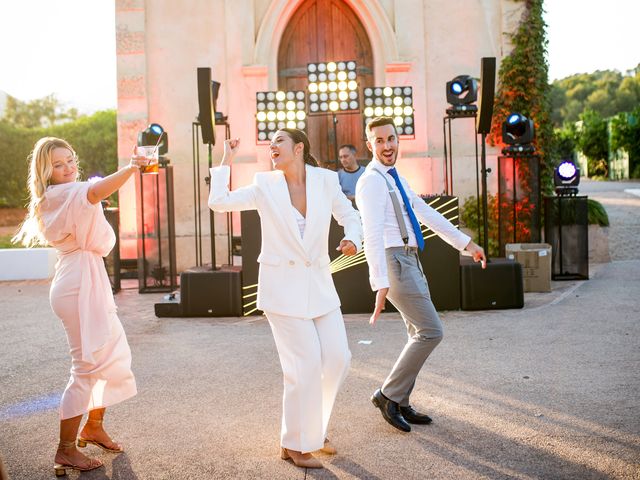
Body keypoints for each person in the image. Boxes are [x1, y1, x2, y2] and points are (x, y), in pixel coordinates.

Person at [208, 129, 362, 469]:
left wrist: (353, 239)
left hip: (320, 286)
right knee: (303, 366)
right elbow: (219, 203)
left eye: (279, 141)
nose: (272, 147)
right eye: (270, 143)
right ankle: (294, 443)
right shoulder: (265, 185)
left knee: (338, 358)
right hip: (281, 290)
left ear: (299, 148)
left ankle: (315, 429)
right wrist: (226, 160)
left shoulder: (325, 180)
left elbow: (350, 217)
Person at [13, 137, 146, 476]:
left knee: (112, 355)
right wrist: (131, 168)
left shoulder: (60, 194)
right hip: (77, 284)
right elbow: (96, 191)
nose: (68, 167)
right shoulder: (64, 193)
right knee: (85, 367)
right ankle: (66, 449)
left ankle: (94, 427)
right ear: (46, 171)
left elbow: (92, 193)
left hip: (83, 278)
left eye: (70, 160)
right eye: (58, 164)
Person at [355, 117, 486, 432]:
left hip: (409, 259)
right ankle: (387, 395)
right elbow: (371, 234)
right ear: (369, 144)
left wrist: (466, 244)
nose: (387, 146)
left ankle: (400, 400)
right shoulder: (371, 181)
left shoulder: (393, 177)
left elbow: (426, 213)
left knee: (418, 333)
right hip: (395, 261)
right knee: (431, 331)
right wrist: (379, 283)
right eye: (380, 140)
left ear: (398, 140)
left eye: (392, 138)